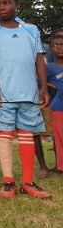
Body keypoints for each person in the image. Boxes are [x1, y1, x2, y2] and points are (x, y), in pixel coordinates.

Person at [0, 0, 51, 199]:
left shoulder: (30, 29)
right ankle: (8, 182)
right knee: (4, 136)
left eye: (6, 3)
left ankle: (28, 181)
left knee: (26, 136)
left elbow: (39, 59)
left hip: (29, 93)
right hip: (3, 94)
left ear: (17, 5)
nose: (1, 7)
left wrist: (43, 87)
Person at [46, 32, 63, 173]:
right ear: (51, 49)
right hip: (59, 106)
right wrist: (52, 86)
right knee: (59, 137)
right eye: (55, 46)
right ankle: (60, 166)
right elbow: (39, 79)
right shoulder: (49, 67)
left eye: (62, 45)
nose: (59, 48)